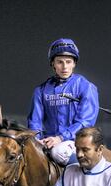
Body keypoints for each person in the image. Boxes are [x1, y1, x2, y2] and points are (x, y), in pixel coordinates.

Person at [27, 38, 99, 166]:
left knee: (58, 151)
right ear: (53, 64)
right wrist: (37, 141)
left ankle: (87, 178)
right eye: (60, 62)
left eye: (68, 62)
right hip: (48, 141)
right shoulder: (41, 90)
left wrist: (60, 138)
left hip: (75, 141)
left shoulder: (85, 86)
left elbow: (85, 121)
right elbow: (34, 121)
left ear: (74, 64)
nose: (64, 67)